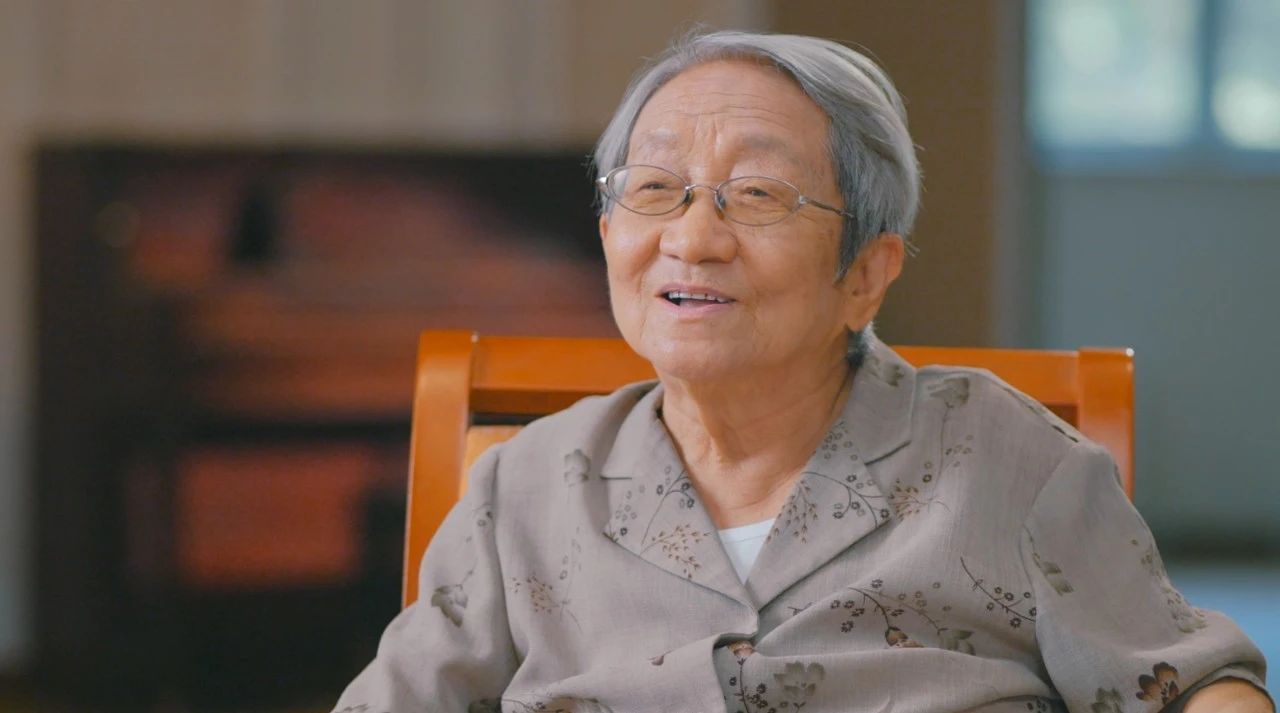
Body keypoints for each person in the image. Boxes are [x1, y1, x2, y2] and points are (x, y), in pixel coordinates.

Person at [334, 31, 1272, 713]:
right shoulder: (523, 489)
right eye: (654, 189)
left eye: (757, 195)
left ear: (866, 273)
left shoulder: (1008, 461)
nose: (693, 238)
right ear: (610, 231)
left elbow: (1191, 682)